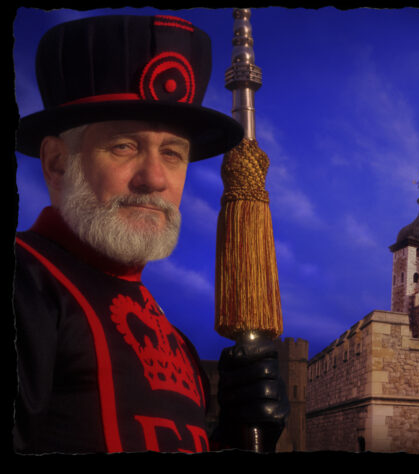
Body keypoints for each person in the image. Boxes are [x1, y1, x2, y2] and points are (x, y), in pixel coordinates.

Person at [13, 14, 287, 453]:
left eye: (173, 154)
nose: (155, 179)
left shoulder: (175, 340)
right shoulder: (24, 286)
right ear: (57, 162)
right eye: (124, 146)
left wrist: (234, 434)